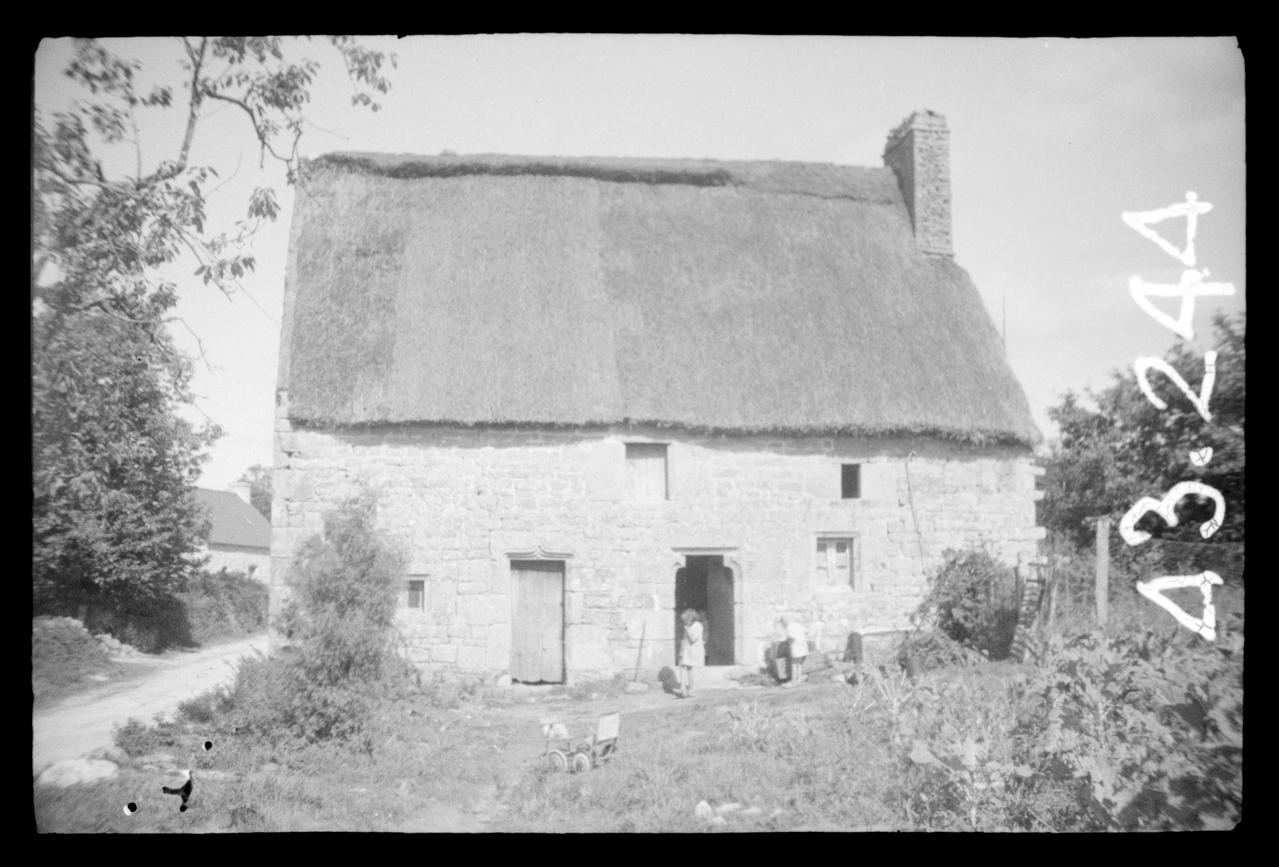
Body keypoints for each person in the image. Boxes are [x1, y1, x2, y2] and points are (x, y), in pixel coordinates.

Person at [677, 608, 704, 698]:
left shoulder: (698, 626)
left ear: (691, 619)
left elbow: (693, 639)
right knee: (682, 667)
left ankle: (691, 689)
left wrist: (688, 629)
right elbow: (684, 639)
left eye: (687, 620)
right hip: (686, 649)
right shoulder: (687, 626)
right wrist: (681, 651)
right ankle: (683, 688)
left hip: (693, 651)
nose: (685, 622)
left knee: (689, 669)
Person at [780, 616, 808, 687]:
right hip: (802, 646)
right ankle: (798, 680)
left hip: (796, 646)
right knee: (799, 664)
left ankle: (794, 681)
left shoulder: (789, 627)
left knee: (794, 664)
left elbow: (792, 637)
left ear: (784, 622)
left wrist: (788, 641)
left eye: (782, 624)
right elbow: (807, 631)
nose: (783, 626)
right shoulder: (796, 625)